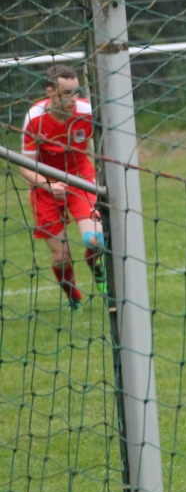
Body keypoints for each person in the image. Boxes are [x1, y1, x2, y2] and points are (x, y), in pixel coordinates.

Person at [21, 65, 106, 311]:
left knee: (95, 240)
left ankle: (96, 266)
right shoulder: (34, 118)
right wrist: (49, 185)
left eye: (76, 92)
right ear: (50, 92)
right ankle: (74, 297)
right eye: (66, 93)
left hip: (80, 180)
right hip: (45, 188)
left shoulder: (87, 112)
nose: (73, 99)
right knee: (61, 256)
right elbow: (26, 167)